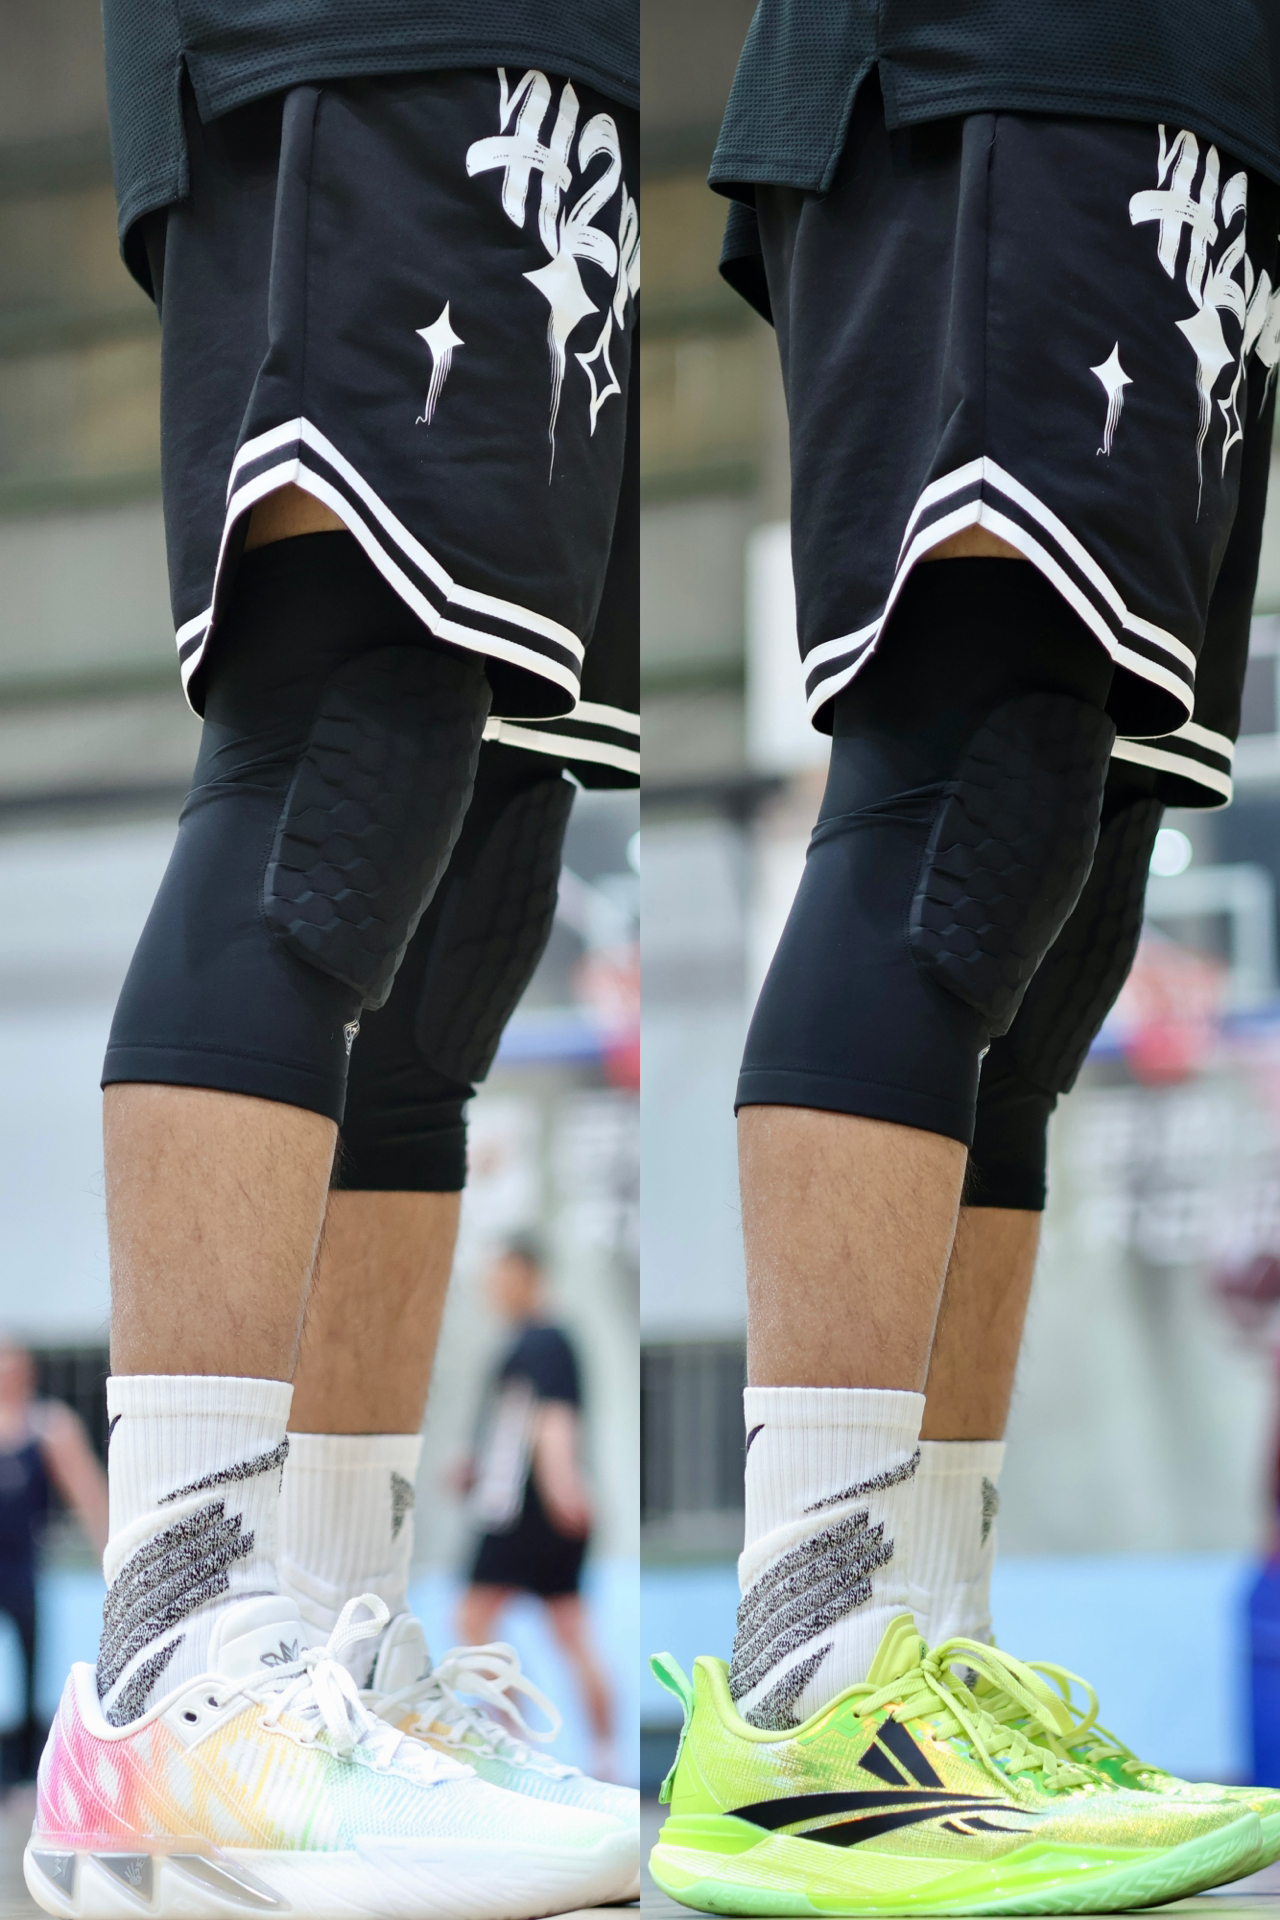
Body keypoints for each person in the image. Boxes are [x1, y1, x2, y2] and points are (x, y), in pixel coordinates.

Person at [649, 4, 1280, 1912]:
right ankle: (814, 1683)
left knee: (1066, 898)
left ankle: (926, 1645)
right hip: (1006, 65)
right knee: (968, 780)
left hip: (1204, 134)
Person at [23, 6, 639, 1915]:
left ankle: (325, 1653)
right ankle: (175, 1675)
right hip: (370, 40)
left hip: (574, 93)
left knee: (477, 873)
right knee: (341, 737)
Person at [458, 1236, 617, 1778]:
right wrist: (475, 1469)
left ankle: (513, 1742)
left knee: (474, 1619)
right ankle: (599, 1755)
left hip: (527, 1512)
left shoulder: (545, 1340)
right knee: (568, 1632)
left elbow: (555, 1419)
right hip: (519, 1505)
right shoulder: (524, 1343)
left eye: (500, 1277)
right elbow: (513, 1426)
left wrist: (563, 1488)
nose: (492, 1289)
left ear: (527, 1275)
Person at [0, 1344, 107, 1788]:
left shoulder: (49, 1428)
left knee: (30, 1666)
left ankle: (27, 1769)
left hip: (22, 1571)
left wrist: (112, 1557)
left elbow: (88, 1495)